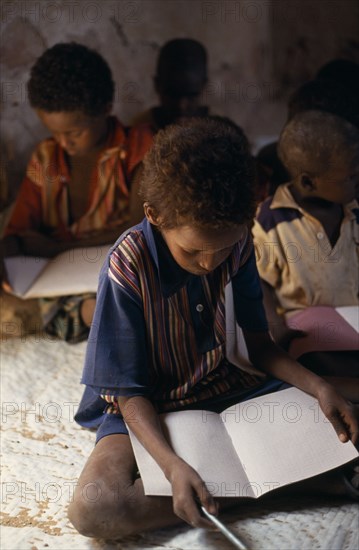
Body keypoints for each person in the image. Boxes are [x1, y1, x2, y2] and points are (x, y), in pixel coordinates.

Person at [68, 118, 358, 539]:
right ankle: (315, 481)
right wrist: (172, 467)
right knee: (95, 508)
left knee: (345, 412)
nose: (210, 263)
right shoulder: (126, 266)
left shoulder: (236, 242)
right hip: (146, 405)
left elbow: (260, 347)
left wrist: (319, 388)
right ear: (155, 215)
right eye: (195, 250)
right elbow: (129, 395)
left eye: (223, 248)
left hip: (224, 385)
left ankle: (246, 483)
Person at [1, 42, 153, 342]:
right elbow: (19, 234)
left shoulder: (137, 148)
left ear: (106, 108)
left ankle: (95, 312)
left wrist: (56, 249)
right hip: (55, 281)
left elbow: (141, 231)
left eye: (74, 132)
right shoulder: (46, 158)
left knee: (133, 287)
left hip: (117, 270)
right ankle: (91, 313)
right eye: (54, 131)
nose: (63, 142)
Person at [252, 110, 359, 377]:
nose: (358, 180)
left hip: (354, 323)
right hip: (307, 330)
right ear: (309, 182)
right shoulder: (271, 221)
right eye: (350, 177)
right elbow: (259, 281)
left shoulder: (354, 211)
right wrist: (276, 327)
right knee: (315, 361)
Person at [132, 38, 209, 132]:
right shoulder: (137, 132)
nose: (181, 106)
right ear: (157, 84)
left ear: (204, 86)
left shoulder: (220, 132)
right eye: (172, 94)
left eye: (191, 96)